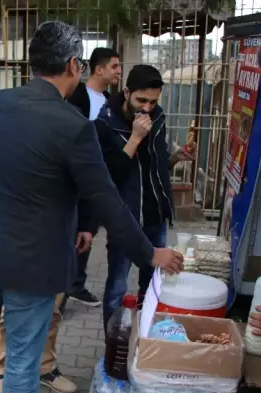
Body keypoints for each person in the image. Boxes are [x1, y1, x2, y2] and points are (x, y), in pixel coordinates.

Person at [0, 21, 183, 393]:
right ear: (74, 66)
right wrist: (148, 252)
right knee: (21, 357)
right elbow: (106, 199)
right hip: (31, 263)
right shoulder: (72, 125)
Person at [92, 64, 194, 328]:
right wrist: (135, 138)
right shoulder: (105, 124)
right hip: (125, 220)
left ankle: (145, 339)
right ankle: (113, 345)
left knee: (152, 285)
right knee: (117, 286)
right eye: (141, 100)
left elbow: (152, 166)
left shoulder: (157, 117)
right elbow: (110, 176)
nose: (147, 108)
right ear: (126, 92)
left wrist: (174, 158)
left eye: (153, 101)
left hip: (154, 215)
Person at [66, 47, 122, 307]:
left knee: (87, 231)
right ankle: (59, 294)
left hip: (100, 177)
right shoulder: (76, 96)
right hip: (75, 178)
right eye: (114, 66)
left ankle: (76, 285)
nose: (119, 71)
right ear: (98, 69)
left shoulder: (112, 101)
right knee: (70, 233)